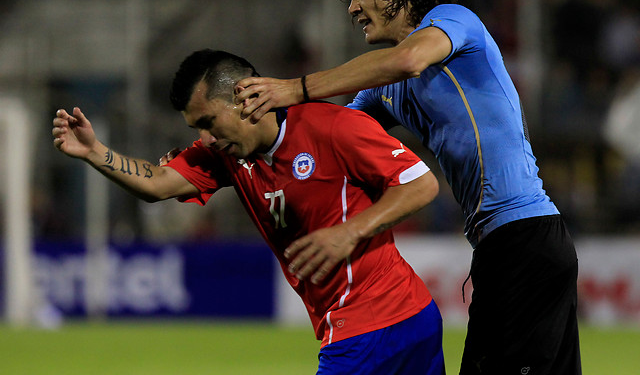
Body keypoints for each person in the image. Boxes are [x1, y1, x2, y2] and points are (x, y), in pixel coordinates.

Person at [235, 0, 581, 375]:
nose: (352, 6)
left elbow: (411, 58)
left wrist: (295, 87)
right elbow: (329, 137)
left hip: (525, 239)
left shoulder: (454, 21)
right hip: (504, 246)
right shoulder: (384, 86)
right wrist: (233, 139)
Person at [52, 49, 444, 375]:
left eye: (208, 122)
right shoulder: (223, 156)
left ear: (243, 96)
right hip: (373, 324)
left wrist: (349, 231)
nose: (205, 139)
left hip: (375, 326)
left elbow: (421, 184)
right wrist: (93, 151)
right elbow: (157, 183)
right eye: (196, 128)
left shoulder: (333, 127)